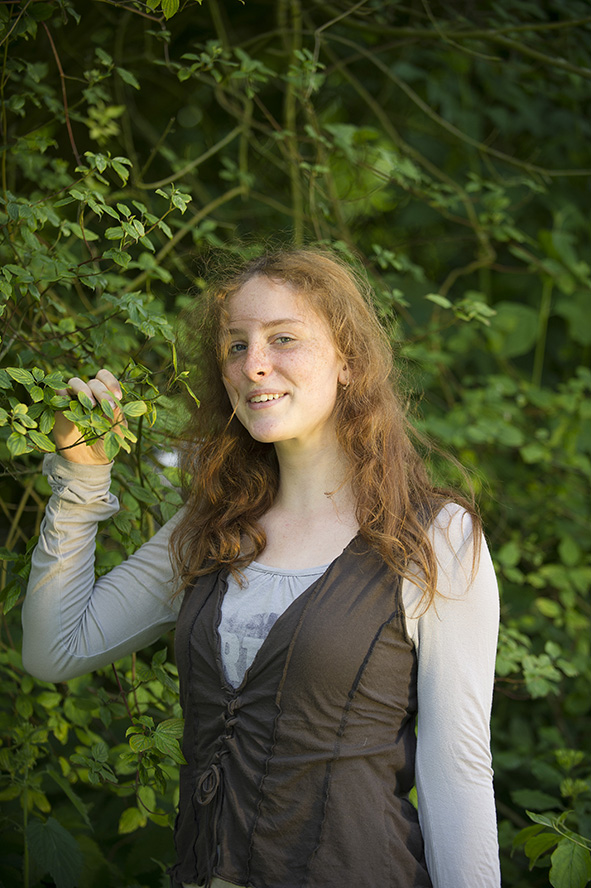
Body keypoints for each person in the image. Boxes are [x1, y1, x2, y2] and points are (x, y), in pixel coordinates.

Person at [22, 248, 501, 888]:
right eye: (235, 345)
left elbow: (457, 773)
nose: (253, 364)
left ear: (349, 361)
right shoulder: (209, 528)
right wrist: (81, 481)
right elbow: (54, 649)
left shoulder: (434, 537)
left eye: (284, 339)